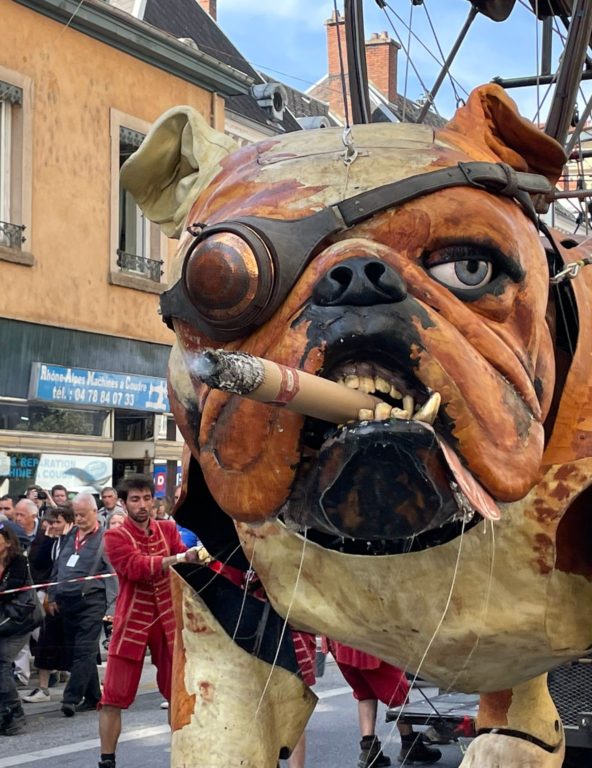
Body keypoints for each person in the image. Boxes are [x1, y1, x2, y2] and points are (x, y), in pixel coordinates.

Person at [98, 474, 200, 768]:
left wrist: (194, 557)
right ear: (124, 502)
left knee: (177, 692)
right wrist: (175, 559)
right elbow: (135, 567)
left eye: (146, 498)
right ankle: (107, 760)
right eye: (135, 499)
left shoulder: (168, 528)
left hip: (168, 621)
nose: (142, 505)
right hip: (132, 622)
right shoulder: (114, 536)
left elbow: (183, 556)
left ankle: (183, 757)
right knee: (113, 697)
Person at [47, 493, 114, 717]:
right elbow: (59, 566)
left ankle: (70, 698)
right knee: (79, 651)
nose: (79, 519)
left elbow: (113, 576)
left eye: (83, 515)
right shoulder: (71, 535)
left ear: (95, 512)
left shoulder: (106, 538)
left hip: (92, 601)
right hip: (67, 601)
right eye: (76, 515)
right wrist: (52, 593)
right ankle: (94, 696)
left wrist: (112, 609)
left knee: (83, 650)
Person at [327, 641, 442, 766]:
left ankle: (369, 750)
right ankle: (410, 745)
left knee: (365, 692)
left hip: (338, 640)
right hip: (365, 640)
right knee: (396, 690)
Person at [24, 506, 75, 704]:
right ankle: (43, 688)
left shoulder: (75, 540)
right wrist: (48, 538)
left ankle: (84, 686)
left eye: (58, 522)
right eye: (52, 522)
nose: (54, 526)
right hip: (53, 598)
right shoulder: (54, 540)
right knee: (46, 641)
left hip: (71, 600)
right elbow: (39, 562)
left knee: (74, 646)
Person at [0, 523, 36, 735]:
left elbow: (10, 592)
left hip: (19, 620)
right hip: (3, 620)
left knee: (2, 661)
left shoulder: (19, 561)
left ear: (7, 541)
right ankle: (5, 714)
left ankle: (15, 714)